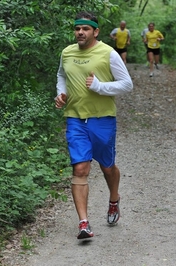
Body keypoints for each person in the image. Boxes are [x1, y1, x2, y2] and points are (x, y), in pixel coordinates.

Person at [55, 11, 133, 240]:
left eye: (86, 28)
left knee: (107, 166)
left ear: (95, 31)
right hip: (75, 119)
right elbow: (61, 75)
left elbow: (127, 84)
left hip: (102, 119)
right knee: (80, 169)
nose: (80, 32)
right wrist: (60, 93)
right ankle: (83, 223)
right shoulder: (67, 52)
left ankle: (114, 199)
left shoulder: (108, 53)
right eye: (77, 28)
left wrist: (100, 86)